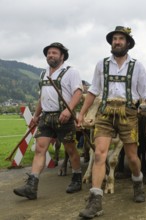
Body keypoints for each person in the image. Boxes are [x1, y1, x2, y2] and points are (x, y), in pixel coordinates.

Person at [77, 26, 146, 218]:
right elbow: (94, 90)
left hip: (128, 113)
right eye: (114, 39)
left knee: (132, 157)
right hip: (104, 113)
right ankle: (95, 201)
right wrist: (82, 112)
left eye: (121, 39)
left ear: (128, 43)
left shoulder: (137, 66)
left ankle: (137, 183)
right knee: (99, 154)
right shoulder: (101, 64)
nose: (117, 42)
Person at [13, 42, 83, 200]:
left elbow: (78, 93)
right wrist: (36, 115)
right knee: (40, 149)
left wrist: (68, 110)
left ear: (62, 56)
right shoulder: (43, 74)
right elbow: (42, 97)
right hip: (46, 117)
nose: (50, 55)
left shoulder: (71, 72)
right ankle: (32, 185)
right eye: (48, 53)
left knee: (70, 149)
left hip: (63, 116)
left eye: (54, 53)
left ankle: (77, 178)